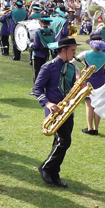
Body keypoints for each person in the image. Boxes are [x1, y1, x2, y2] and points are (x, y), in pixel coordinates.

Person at [33, 37, 79, 188]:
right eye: (72, 50)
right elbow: (37, 89)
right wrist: (48, 103)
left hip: (68, 110)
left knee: (60, 143)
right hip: (54, 111)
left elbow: (71, 88)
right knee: (65, 141)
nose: (75, 53)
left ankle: (55, 174)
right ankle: (46, 167)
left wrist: (80, 88)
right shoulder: (48, 67)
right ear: (64, 50)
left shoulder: (72, 68)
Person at [73, 39, 105, 135]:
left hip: (88, 80)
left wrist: (77, 71)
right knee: (98, 105)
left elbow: (73, 62)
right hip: (100, 81)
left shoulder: (86, 53)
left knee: (89, 105)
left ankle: (90, 128)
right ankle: (96, 128)